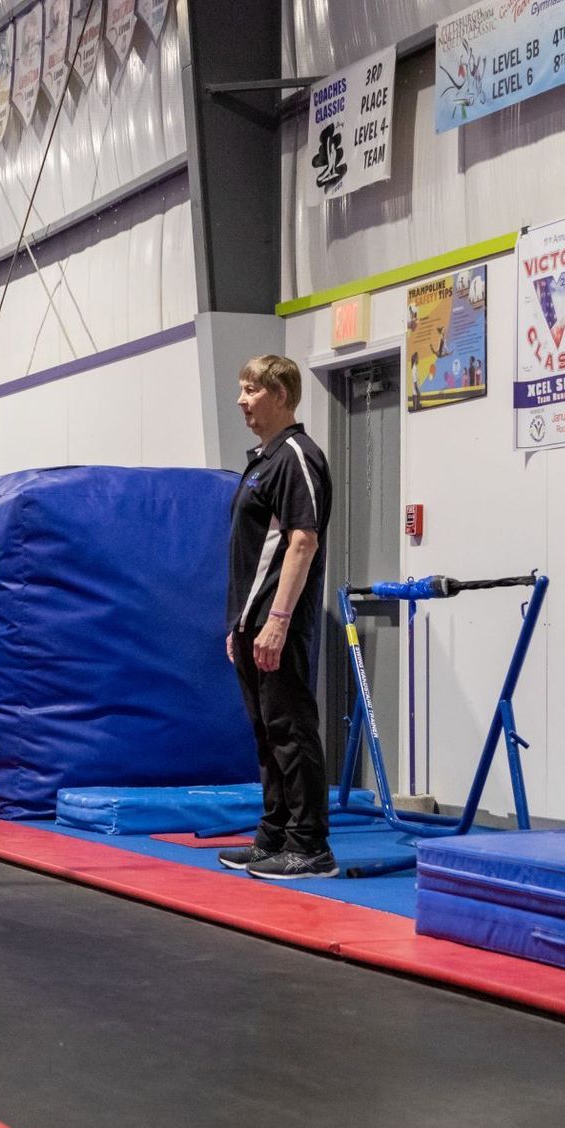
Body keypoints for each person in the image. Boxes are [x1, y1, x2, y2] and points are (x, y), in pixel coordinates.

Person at [222, 355, 336, 880]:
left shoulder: (296, 456)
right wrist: (239, 626)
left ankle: (310, 845)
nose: (242, 400)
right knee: (266, 732)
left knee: (290, 729)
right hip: (252, 623)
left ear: (281, 396)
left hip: (278, 623)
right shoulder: (264, 459)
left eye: (251, 390)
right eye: (242, 390)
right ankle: (274, 837)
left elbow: (302, 540)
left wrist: (278, 619)